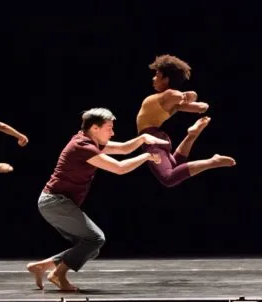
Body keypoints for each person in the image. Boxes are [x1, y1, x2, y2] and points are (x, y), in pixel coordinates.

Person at [26, 108, 167, 291]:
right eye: (109, 128)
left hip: (56, 203)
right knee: (95, 239)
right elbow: (119, 168)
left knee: (91, 246)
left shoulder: (88, 141)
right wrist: (147, 155)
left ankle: (42, 266)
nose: (113, 132)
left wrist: (142, 138)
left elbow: (123, 148)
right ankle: (58, 274)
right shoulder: (83, 147)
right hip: (55, 202)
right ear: (94, 128)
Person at [136, 54, 236, 187]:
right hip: (160, 138)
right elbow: (202, 107)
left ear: (166, 79)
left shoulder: (167, 95)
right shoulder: (171, 103)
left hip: (152, 139)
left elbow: (177, 95)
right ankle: (191, 136)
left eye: (157, 75)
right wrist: (192, 96)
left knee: (168, 178)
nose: (153, 79)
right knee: (176, 168)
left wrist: (188, 95)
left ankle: (212, 161)